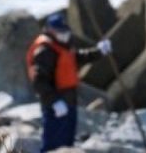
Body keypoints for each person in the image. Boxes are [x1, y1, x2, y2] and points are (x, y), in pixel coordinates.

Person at [27, 12, 112, 152]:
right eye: (60, 31)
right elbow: (39, 81)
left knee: (67, 143)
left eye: (65, 31)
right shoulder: (44, 51)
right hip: (55, 105)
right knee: (53, 143)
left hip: (69, 101)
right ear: (50, 30)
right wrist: (54, 102)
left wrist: (99, 51)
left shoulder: (63, 46)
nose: (64, 34)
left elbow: (79, 57)